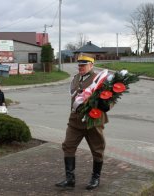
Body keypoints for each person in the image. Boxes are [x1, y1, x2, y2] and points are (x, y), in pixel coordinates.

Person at [55, 53, 110, 190]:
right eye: (79, 65)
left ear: (91, 65)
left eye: (84, 65)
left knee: (97, 149)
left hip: (93, 121)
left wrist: (106, 105)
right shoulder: (75, 78)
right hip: (75, 121)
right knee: (68, 146)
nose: (81, 67)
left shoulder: (99, 79)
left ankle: (95, 178)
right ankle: (70, 179)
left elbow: (109, 97)